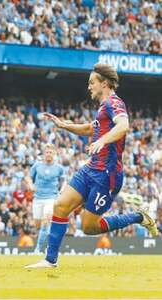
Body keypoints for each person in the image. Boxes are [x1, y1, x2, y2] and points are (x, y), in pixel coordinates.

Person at [26, 63, 158, 269]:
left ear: (104, 84)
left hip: (107, 173)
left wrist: (103, 141)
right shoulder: (103, 107)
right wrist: (64, 125)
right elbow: (90, 128)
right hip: (91, 168)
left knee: (89, 227)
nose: (89, 87)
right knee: (60, 205)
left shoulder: (114, 102)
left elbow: (124, 126)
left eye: (92, 83)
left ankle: (139, 217)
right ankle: (49, 260)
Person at [28, 143, 65, 254]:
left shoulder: (59, 168)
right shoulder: (37, 165)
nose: (48, 154)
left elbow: (63, 181)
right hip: (38, 198)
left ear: (54, 154)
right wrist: (31, 185)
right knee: (38, 225)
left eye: (51, 152)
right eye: (47, 152)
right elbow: (29, 178)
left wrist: (62, 190)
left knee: (45, 221)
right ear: (44, 154)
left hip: (51, 198)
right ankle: (47, 236)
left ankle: (38, 249)